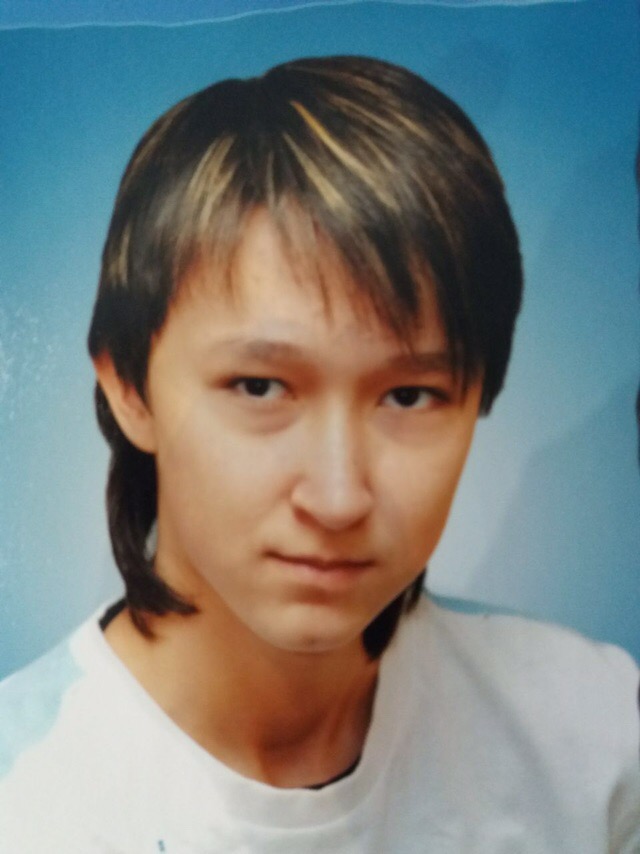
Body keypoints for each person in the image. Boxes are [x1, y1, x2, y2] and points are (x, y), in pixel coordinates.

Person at [0, 55, 637, 852]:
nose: (338, 498)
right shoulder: (24, 803)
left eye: (409, 396)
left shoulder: (597, 737)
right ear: (130, 387)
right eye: (260, 387)